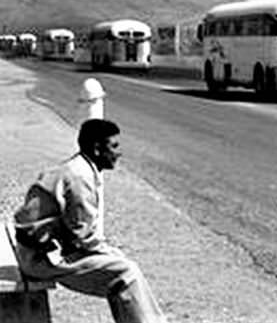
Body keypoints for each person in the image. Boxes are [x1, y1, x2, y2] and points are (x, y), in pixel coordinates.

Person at [13, 118, 167, 323]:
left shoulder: (77, 167)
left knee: (119, 268)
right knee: (126, 272)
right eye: (113, 146)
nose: (118, 153)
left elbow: (77, 234)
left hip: (43, 250)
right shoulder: (80, 177)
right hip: (39, 259)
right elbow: (83, 238)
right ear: (96, 148)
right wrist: (113, 253)